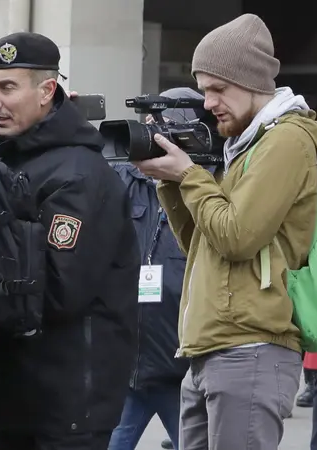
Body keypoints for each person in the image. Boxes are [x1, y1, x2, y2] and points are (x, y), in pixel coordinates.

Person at [134, 13, 317, 449]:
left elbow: (236, 237)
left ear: (253, 81)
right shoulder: (245, 142)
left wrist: (190, 175)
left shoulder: (286, 139)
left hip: (250, 347)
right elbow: (203, 245)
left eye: (219, 89)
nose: (209, 102)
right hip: (213, 346)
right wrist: (169, 180)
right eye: (204, 90)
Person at [0, 32, 140, 450]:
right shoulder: (9, 159)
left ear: (47, 91)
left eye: (7, 87)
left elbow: (60, 291)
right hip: (18, 393)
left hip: (68, 403)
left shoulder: (78, 174)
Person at [107, 87, 201, 450]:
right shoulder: (124, 179)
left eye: (164, 128)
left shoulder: (203, 186)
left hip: (180, 367)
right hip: (127, 364)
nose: (154, 135)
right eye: (150, 125)